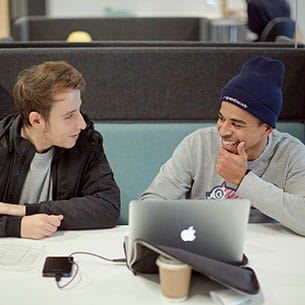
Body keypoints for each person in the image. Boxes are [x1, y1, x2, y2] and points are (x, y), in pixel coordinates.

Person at [140, 56, 305, 236]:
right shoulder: (198, 144)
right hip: (203, 243)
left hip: (269, 252)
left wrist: (243, 180)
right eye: (221, 118)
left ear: (266, 129)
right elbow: (151, 202)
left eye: (237, 124)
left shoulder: (291, 153)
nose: (223, 131)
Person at [0, 61, 120, 239]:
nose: (81, 124)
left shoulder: (86, 142)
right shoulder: (2, 142)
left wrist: (26, 210)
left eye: (78, 110)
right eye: (69, 115)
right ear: (36, 121)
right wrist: (16, 227)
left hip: (60, 247)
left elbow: (107, 206)